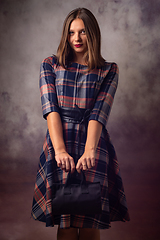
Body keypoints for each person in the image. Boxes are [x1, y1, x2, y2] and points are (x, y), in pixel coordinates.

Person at [31, 7, 130, 240]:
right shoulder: (50, 65)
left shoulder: (108, 70)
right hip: (59, 144)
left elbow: (99, 113)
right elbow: (50, 109)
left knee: (89, 221)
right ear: (66, 35)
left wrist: (89, 151)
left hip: (93, 146)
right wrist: (60, 150)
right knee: (65, 223)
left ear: (92, 34)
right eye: (71, 32)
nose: (76, 38)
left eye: (83, 32)